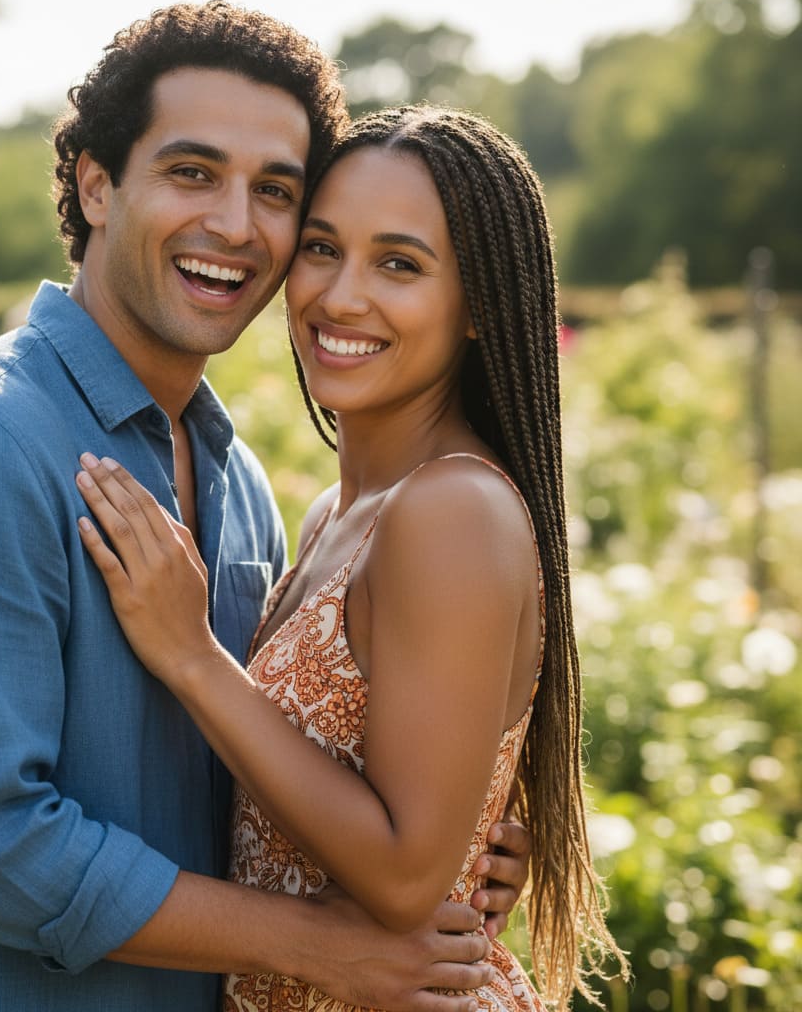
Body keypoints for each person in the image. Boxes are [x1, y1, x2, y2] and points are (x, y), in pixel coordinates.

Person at [0, 3, 531, 1012]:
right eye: (193, 172)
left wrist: (465, 834)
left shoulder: (240, 484)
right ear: (97, 185)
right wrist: (325, 944)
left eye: (275, 191)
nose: (237, 226)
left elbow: (268, 777)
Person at [74, 104, 631, 1010]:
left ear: (479, 305)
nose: (339, 297)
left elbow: (407, 881)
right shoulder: (338, 512)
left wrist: (193, 658)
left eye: (399, 264)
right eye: (323, 248)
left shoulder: (450, 511)